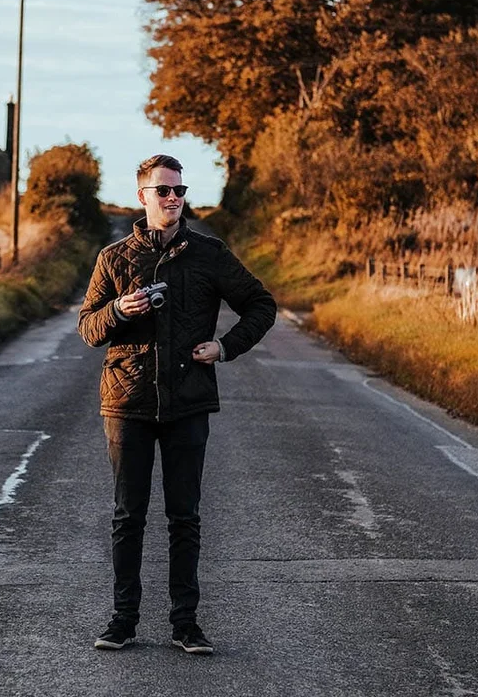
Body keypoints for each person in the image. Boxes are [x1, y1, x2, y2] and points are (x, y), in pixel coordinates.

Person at [77, 154, 276, 654]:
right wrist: (118, 310)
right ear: (142, 196)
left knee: (184, 517)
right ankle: (123, 622)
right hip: (127, 401)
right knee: (128, 516)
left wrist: (225, 347)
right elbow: (88, 329)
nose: (173, 198)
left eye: (179, 190)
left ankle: (185, 624)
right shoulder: (114, 257)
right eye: (163, 190)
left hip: (188, 400)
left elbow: (261, 304)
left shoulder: (209, 253)